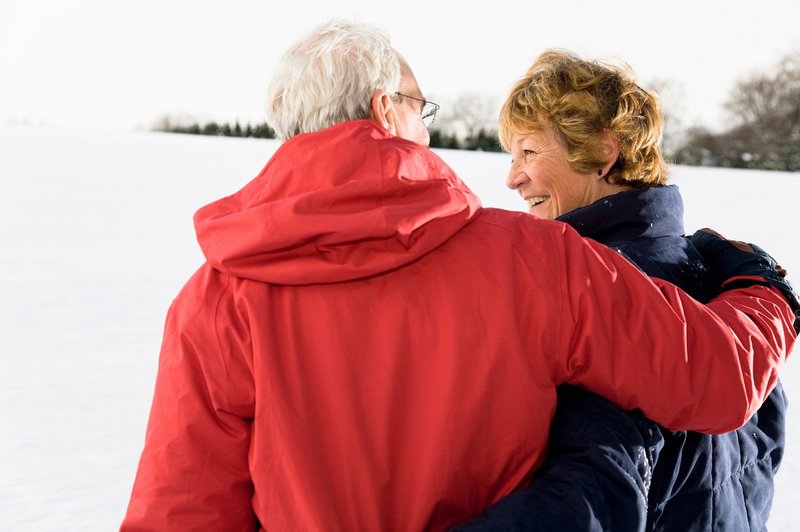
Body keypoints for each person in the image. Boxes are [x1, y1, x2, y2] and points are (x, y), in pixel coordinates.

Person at [120, 21, 797, 531]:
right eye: (421, 105)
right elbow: (716, 380)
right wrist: (767, 292)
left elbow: (182, 511)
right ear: (388, 110)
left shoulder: (215, 297)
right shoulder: (535, 259)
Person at [456, 50, 795, 531]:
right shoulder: (721, 286)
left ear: (602, 152)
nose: (512, 178)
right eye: (511, 156)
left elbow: (589, 498)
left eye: (529, 152)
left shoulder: (604, 297)